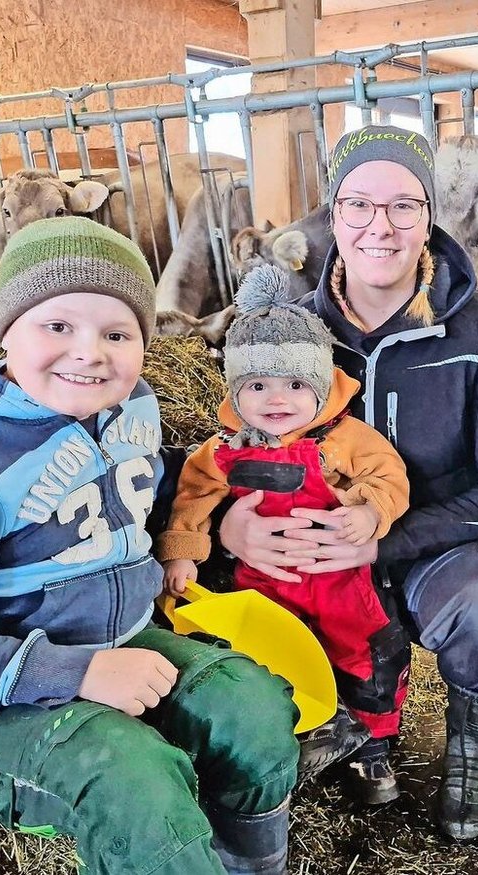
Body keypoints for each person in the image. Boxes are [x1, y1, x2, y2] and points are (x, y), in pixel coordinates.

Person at [0, 217, 300, 875]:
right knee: (137, 784)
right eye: (57, 326)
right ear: (7, 328)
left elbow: (135, 497)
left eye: (117, 332)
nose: (90, 352)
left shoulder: (132, 406)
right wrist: (79, 674)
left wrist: (213, 524)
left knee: (252, 708)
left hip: (118, 635)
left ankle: (246, 863)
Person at [213, 126, 478, 841]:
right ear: (334, 215)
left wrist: (385, 541)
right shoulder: (291, 333)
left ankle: (472, 754)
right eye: (360, 205)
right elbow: (227, 443)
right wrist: (229, 526)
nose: (381, 226)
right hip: (311, 540)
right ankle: (328, 729)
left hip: (438, 547)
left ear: (428, 218)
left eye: (404, 206)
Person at [156, 265, 411, 805]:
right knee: (271, 656)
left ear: (320, 384)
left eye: (296, 383)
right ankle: (301, 735)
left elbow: (388, 477)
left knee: (366, 651)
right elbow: (194, 494)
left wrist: (368, 513)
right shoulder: (224, 448)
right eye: (257, 385)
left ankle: (372, 748)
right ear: (234, 389)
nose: (278, 399)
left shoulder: (344, 438)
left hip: (338, 577)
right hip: (265, 582)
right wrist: (184, 552)